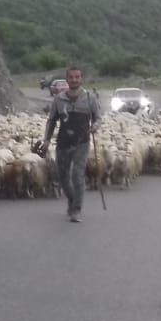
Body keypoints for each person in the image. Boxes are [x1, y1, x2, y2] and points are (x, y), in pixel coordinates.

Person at [38, 66, 101, 222]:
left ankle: (76, 210)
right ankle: (72, 200)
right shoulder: (59, 99)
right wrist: (46, 140)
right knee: (63, 176)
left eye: (77, 77)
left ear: (81, 79)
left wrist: (95, 126)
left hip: (82, 142)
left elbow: (98, 118)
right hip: (63, 142)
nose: (74, 79)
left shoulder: (89, 98)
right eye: (71, 77)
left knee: (77, 175)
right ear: (67, 80)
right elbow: (52, 120)